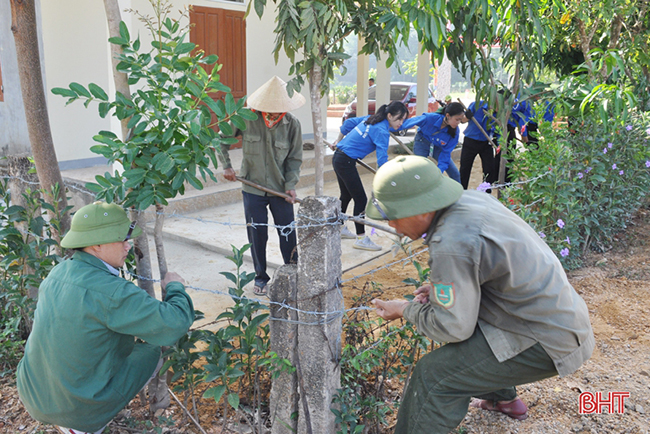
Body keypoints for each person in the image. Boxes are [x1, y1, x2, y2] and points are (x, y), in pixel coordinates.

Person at [366, 156, 594, 434]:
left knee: (434, 376)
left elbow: (452, 327)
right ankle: (504, 400)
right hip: (560, 315)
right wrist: (441, 288)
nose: (391, 224)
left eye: (393, 215)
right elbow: (481, 269)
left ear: (421, 209)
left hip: (545, 339)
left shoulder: (451, 242)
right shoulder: (469, 201)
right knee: (470, 330)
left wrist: (404, 309)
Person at [17, 201, 195, 434]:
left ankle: (70, 416)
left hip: (33, 392)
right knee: (152, 349)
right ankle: (83, 426)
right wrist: (175, 288)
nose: (128, 246)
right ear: (96, 245)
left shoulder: (58, 272)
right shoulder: (110, 290)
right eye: (121, 239)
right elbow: (174, 323)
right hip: (77, 408)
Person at [219, 76, 305, 296]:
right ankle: (261, 277)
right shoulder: (246, 118)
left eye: (279, 110)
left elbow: (294, 159)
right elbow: (222, 140)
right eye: (271, 109)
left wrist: (291, 184)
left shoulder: (292, 124)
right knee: (257, 234)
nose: (275, 114)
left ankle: (292, 273)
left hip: (280, 190)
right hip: (252, 189)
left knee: (287, 232)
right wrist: (227, 166)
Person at [331, 101, 408, 250]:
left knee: (346, 196)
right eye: (399, 119)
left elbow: (348, 124)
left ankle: (339, 228)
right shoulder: (382, 131)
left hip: (339, 158)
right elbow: (382, 160)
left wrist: (338, 141)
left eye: (403, 120)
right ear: (390, 115)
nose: (401, 123)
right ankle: (360, 238)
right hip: (345, 161)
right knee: (361, 199)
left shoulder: (371, 118)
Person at [397, 102, 466, 184]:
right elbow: (410, 122)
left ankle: (460, 193)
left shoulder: (454, 132)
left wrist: (439, 171)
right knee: (419, 169)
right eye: (457, 119)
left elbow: (446, 153)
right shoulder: (430, 118)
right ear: (448, 116)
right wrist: (392, 127)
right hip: (422, 142)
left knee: (455, 173)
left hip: (438, 147)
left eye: (460, 120)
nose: (458, 122)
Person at [459, 100, 497, 189]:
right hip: (471, 140)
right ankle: (462, 190)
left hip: (486, 142)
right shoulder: (477, 105)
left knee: (489, 168)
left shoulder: (500, 113)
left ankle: (486, 191)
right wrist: (467, 116)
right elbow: (463, 120)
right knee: (465, 167)